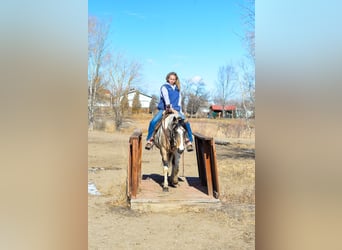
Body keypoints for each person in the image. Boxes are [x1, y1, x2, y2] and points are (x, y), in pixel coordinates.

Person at [145, 72, 194, 152]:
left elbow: (179, 102)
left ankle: (189, 141)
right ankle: (150, 139)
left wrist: (180, 112)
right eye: (171, 79)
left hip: (176, 110)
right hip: (165, 109)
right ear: (168, 79)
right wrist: (170, 108)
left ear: (176, 80)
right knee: (153, 122)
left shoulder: (178, 89)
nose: (172, 80)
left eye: (174, 79)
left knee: (186, 123)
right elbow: (166, 98)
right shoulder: (164, 87)